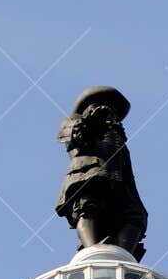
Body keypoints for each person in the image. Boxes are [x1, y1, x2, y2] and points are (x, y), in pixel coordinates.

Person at [56, 87, 148, 260]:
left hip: (120, 180)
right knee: (88, 206)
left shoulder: (118, 137)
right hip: (88, 172)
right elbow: (73, 137)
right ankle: (93, 250)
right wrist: (89, 122)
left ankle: (123, 255)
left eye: (114, 111)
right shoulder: (75, 121)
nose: (110, 113)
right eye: (104, 106)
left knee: (135, 215)